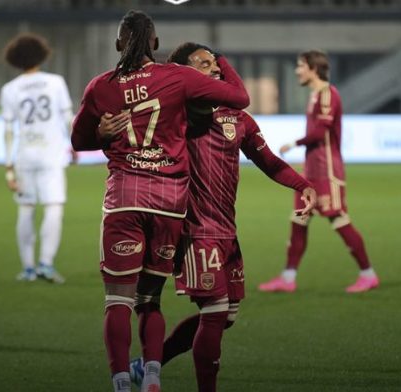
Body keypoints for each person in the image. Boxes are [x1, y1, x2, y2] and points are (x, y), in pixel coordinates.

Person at [120, 43, 316, 392]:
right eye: (204, 64)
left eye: (215, 64)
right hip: (194, 230)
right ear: (182, 73)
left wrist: (302, 185)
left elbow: (267, 159)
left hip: (227, 229)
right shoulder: (177, 114)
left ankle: (148, 364)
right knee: (215, 312)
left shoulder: (235, 116)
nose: (214, 70)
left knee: (226, 316)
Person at [71, 11, 249, 392]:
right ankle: (152, 374)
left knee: (118, 299)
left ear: (119, 44)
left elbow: (78, 141)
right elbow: (240, 97)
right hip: (169, 201)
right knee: (150, 297)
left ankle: (121, 381)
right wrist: (220, 60)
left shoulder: (101, 87)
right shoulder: (178, 77)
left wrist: (103, 134)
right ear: (155, 44)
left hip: (124, 198)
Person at [258, 50, 379, 294]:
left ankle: (368, 274)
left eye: (301, 66)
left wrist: (294, 144)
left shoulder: (327, 94)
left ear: (313, 68)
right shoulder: (315, 95)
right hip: (312, 172)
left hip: (328, 172)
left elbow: (321, 131)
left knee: (338, 218)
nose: (297, 70)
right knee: (299, 220)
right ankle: (288, 278)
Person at [0, 33, 74, 284]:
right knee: (53, 208)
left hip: (25, 156)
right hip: (51, 154)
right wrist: (75, 145)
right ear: (41, 55)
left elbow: (9, 131)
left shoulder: (9, 89)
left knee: (26, 208)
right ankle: (46, 264)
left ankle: (28, 268)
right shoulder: (55, 82)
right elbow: (67, 119)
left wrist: (9, 169)